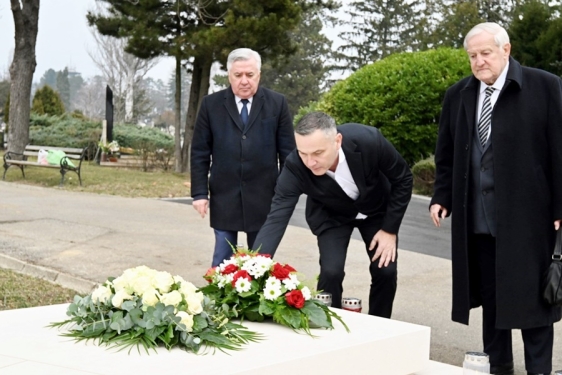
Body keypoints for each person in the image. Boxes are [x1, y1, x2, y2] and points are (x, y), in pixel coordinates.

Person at [430, 22, 562, 375]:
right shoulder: (458, 94)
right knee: (492, 301)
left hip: (529, 218)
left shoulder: (545, 86)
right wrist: (441, 196)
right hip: (478, 219)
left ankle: (539, 371)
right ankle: (498, 366)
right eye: (472, 55)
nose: (478, 61)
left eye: (485, 53)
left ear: (506, 50)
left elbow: (560, 151)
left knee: (535, 303)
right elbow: (446, 154)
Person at [253, 111, 412, 317]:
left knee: (385, 270)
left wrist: (390, 230)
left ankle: (380, 325)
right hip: (331, 215)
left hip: (377, 211)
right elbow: (277, 216)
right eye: (303, 153)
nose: (310, 162)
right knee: (331, 272)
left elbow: (403, 179)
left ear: (337, 141)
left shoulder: (369, 140)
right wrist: (255, 265)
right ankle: (329, 323)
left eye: (318, 153)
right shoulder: (295, 166)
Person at [190, 48, 295, 267]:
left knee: (259, 265)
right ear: (229, 75)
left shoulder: (277, 104)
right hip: (224, 195)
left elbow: (287, 154)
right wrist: (199, 193)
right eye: (238, 75)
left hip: (264, 196)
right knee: (222, 262)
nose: (244, 81)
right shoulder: (211, 105)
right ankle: (219, 302)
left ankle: (257, 302)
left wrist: (284, 193)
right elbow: (200, 152)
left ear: (259, 75)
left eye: (250, 75)